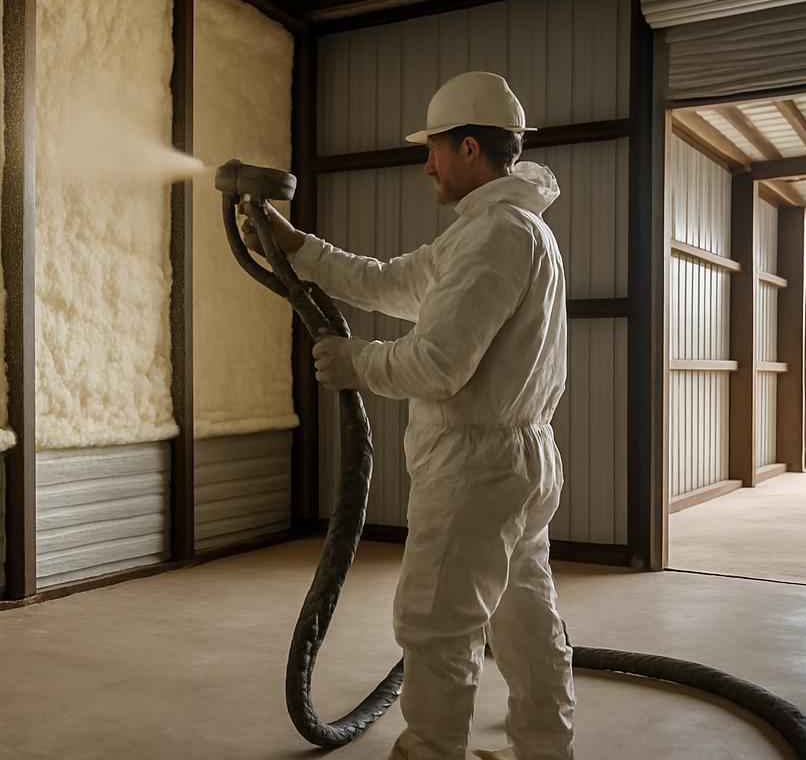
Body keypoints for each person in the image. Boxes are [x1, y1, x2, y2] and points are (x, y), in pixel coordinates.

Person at [242, 70, 575, 760]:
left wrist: (354, 361)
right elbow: (392, 282)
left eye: (437, 149)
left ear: (472, 151)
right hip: (518, 458)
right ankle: (546, 749)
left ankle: (430, 750)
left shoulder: (495, 237)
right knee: (522, 614)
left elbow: (438, 365)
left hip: (477, 463)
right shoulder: (498, 230)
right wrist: (296, 246)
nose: (427, 163)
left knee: (437, 622)